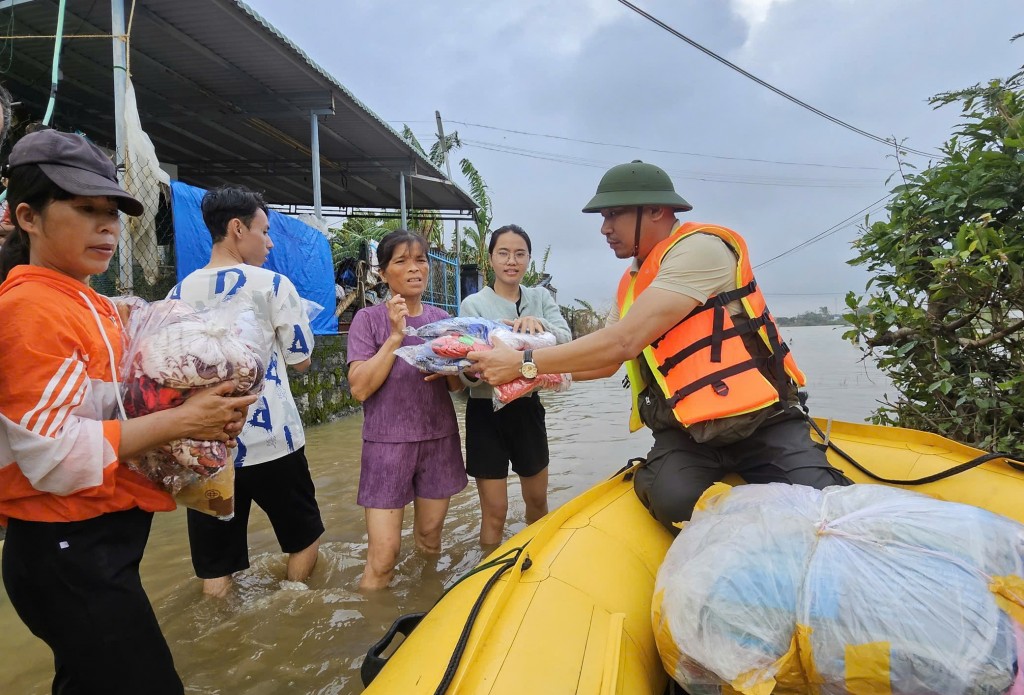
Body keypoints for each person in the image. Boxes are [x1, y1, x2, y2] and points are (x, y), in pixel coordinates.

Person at [0, 129, 254, 694]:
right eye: (85, 209)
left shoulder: (93, 303)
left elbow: (131, 400)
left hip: (95, 542)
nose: (107, 227)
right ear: (28, 217)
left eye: (112, 212)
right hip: (66, 548)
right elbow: (55, 455)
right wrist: (185, 422)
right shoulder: (30, 309)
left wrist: (210, 412)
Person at [468, 160, 850, 532]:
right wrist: (530, 377)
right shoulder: (631, 283)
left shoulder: (701, 250)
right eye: (603, 217)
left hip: (762, 421)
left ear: (655, 211)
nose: (604, 228)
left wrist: (522, 363)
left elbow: (623, 342)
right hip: (688, 432)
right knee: (672, 502)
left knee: (826, 505)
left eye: (613, 214)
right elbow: (604, 363)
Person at [170, 185, 324, 597]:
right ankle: (294, 604)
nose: (270, 242)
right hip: (274, 442)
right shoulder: (273, 285)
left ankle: (220, 626)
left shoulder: (177, 294)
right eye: (264, 231)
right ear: (238, 228)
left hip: (208, 447)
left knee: (216, 564)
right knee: (304, 538)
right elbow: (301, 360)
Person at [346, 229, 467, 590]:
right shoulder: (367, 320)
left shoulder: (442, 319)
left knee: (430, 540)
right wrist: (396, 337)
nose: (415, 268)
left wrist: (451, 365)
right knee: (383, 557)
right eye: (401, 261)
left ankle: (425, 605)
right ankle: (373, 618)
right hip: (387, 446)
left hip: (438, 441)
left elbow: (457, 387)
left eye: (420, 260)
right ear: (383, 273)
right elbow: (359, 388)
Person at [458, 224, 571, 547]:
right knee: (494, 512)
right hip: (485, 413)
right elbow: (467, 365)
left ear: (528, 259)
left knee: (537, 502)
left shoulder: (540, 298)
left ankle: (537, 561)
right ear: (490, 259)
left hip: (527, 410)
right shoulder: (473, 305)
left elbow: (566, 340)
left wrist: (539, 324)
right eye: (503, 253)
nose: (512, 261)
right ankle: (488, 570)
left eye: (520, 254)